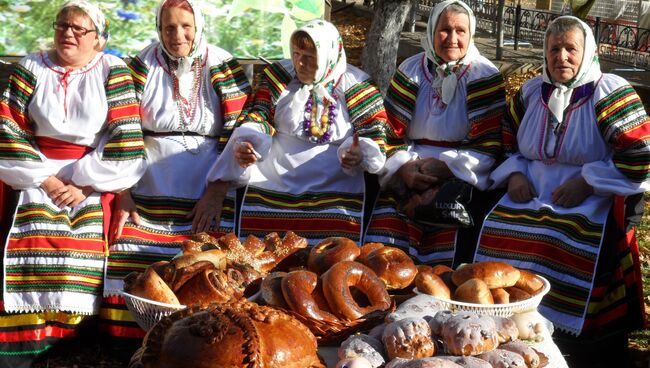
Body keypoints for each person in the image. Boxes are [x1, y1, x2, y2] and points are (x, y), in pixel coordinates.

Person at [473, 16, 650, 367]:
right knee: (497, 230)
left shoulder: (609, 93)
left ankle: (566, 337)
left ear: (588, 53)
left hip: (594, 197)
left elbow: (639, 155)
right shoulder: (530, 93)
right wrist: (515, 176)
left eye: (571, 49)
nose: (562, 57)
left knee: (562, 237)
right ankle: (506, 326)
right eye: (555, 49)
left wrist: (587, 181)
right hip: (530, 191)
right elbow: (504, 142)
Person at [0, 1, 146, 366]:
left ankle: (74, 347)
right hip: (32, 169)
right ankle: (26, 347)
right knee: (33, 235)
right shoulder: (31, 67)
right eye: (63, 26)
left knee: (77, 247)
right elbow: (7, 127)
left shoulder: (113, 70)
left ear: (98, 39)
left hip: (93, 176)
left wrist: (84, 183)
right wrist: (45, 179)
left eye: (80, 29)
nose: (68, 33)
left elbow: (125, 137)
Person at [100, 0, 251, 348]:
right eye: (169, 27)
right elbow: (119, 127)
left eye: (186, 26)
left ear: (198, 27)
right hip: (148, 181)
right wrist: (123, 192)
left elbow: (242, 130)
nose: (178, 35)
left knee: (205, 258)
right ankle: (131, 341)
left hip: (209, 181)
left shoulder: (222, 64)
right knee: (133, 249)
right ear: (158, 28)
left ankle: (197, 342)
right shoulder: (141, 64)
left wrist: (217, 190)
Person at [210, 19, 396, 245]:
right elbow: (259, 113)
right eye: (297, 53)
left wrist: (360, 154)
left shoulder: (357, 85)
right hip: (274, 182)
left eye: (310, 56)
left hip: (335, 187)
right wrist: (250, 143)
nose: (300, 62)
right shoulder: (279, 75)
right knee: (265, 248)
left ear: (329, 56)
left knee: (329, 253)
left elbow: (374, 131)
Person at [364, 0, 505, 266]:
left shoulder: (484, 75)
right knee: (387, 223)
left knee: (451, 228)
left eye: (460, 31)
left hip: (463, 172)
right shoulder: (411, 70)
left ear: (471, 33)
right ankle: (391, 287)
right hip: (411, 165)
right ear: (431, 30)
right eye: (445, 29)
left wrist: (448, 167)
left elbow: (489, 142)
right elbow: (389, 131)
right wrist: (403, 168)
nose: (452, 38)